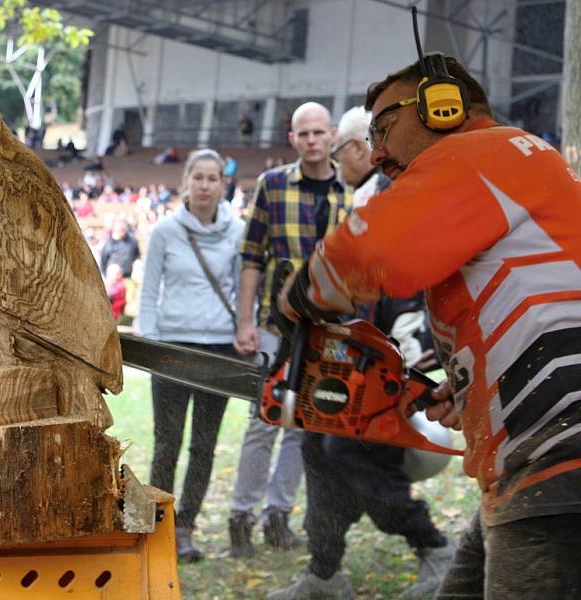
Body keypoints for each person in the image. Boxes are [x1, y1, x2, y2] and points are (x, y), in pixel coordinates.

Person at [276, 56, 581, 599]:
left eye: (385, 130)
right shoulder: (516, 164)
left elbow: (374, 250)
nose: (376, 154)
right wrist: (470, 392)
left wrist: (301, 295)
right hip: (534, 465)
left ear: (444, 107)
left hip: (559, 462)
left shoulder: (482, 152)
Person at [267, 106, 454, 600]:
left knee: (350, 450)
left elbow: (405, 286)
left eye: (337, 152)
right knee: (317, 445)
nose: (339, 162)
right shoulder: (364, 197)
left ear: (355, 149)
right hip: (365, 359)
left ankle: (434, 547)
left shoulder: (390, 194)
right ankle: (325, 572)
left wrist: (409, 370)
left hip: (401, 360)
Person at [229, 102, 351, 557]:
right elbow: (250, 256)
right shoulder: (273, 185)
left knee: (304, 424)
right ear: (293, 137)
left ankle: (277, 516)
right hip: (275, 325)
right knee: (265, 421)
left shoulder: (349, 192)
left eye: (320, 132)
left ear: (333, 134)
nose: (313, 140)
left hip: (327, 329)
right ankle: (240, 517)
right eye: (305, 133)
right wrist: (244, 321)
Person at [137, 148, 245, 562]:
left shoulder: (237, 230)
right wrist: (150, 344)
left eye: (212, 178)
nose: (204, 185)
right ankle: (158, 524)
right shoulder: (166, 231)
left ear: (222, 183)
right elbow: (149, 291)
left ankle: (186, 528)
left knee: (204, 444)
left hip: (218, 348)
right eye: (197, 177)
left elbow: (242, 288)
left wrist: (244, 332)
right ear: (186, 180)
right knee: (168, 441)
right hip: (173, 347)